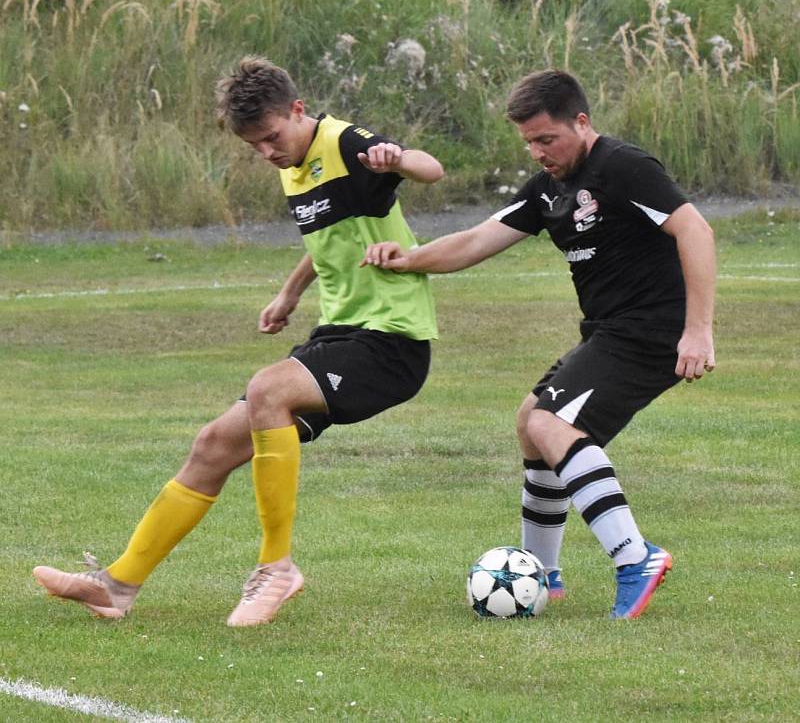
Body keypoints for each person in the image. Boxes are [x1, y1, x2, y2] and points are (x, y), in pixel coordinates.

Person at [33, 57, 443, 627]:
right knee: (213, 443)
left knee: (268, 389)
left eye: (272, 137)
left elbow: (432, 168)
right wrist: (290, 291)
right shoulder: (294, 166)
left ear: (298, 110)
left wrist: (397, 158)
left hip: (391, 340)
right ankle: (116, 587)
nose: (268, 152)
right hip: (341, 334)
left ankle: (277, 567)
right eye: (254, 146)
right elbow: (331, 236)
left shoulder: (344, 142)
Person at [362, 69, 716, 619]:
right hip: (609, 330)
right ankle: (542, 573)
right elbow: (479, 238)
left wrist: (698, 330)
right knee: (531, 420)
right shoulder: (549, 188)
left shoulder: (623, 167)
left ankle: (634, 557)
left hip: (652, 330)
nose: (537, 152)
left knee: (552, 424)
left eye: (546, 139)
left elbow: (695, 230)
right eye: (528, 142)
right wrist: (409, 258)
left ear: (581, 121)